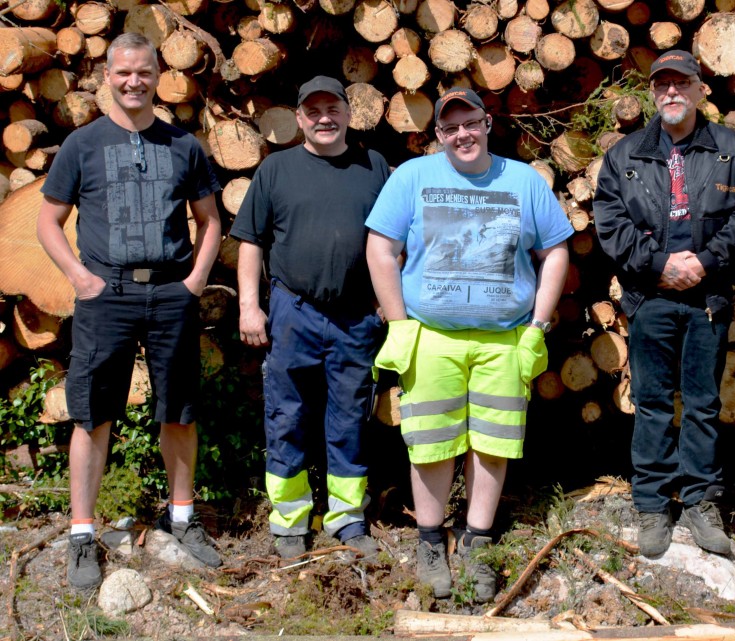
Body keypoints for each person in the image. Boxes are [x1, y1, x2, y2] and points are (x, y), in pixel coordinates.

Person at [365, 87, 572, 601]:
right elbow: (380, 248)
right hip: (431, 338)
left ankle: (477, 541)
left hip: (503, 342)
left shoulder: (523, 181)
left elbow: (556, 252)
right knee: (430, 445)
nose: (463, 134)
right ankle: (431, 541)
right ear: (438, 134)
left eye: (471, 122)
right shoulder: (412, 177)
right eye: (451, 127)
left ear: (487, 123)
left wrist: (536, 328)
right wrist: (399, 325)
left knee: (492, 444)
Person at [37, 32, 223, 590]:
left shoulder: (182, 145)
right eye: (123, 73)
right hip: (105, 294)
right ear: (106, 78)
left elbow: (211, 220)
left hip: (170, 292)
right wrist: (79, 277)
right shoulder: (82, 145)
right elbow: (48, 221)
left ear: (159, 75)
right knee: (93, 413)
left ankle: (182, 518)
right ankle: (81, 533)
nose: (133, 82)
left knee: (179, 408)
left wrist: (193, 282)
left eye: (144, 72)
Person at [592, 50, 735, 558]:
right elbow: (610, 220)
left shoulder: (732, 150)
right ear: (653, 93)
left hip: (707, 297)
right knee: (650, 403)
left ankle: (700, 500)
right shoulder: (625, 155)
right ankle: (650, 505)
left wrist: (706, 262)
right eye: (662, 84)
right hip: (651, 297)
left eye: (681, 83)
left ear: (698, 90)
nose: (672, 92)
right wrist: (657, 265)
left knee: (704, 404)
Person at [230, 76, 390, 560]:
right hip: (291, 312)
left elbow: (396, 239)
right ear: (299, 119)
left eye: (333, 108)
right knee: (287, 416)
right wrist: (248, 305)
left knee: (349, 419)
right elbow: (251, 242)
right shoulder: (276, 170)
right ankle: (290, 520)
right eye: (313, 110)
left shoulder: (374, 166)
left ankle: (346, 518)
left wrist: (389, 299)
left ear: (347, 114)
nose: (324, 118)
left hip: (356, 318)